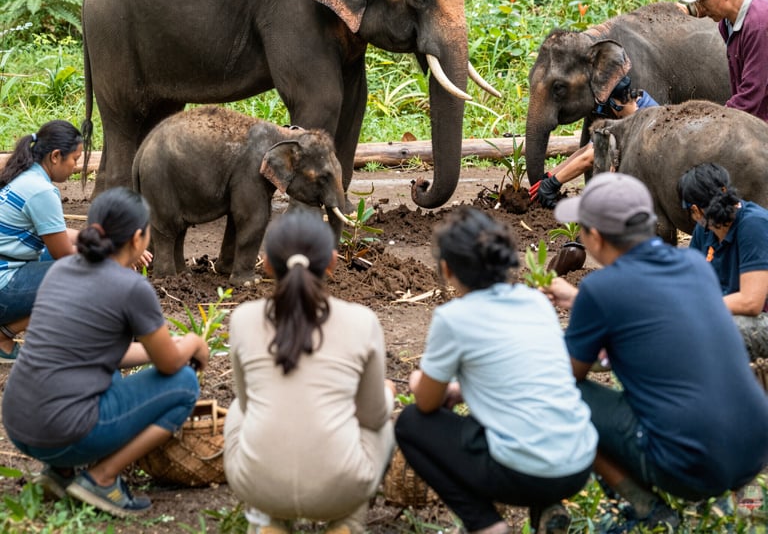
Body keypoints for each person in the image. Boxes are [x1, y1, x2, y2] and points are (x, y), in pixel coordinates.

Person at [546, 173, 768, 531]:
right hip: (756, 449)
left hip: (691, 470)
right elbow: (653, 308)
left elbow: (565, 378)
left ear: (596, 237)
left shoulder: (600, 289)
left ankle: (641, 505)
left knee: (551, 392)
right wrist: (578, 301)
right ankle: (744, 500)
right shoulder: (694, 265)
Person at [1, 187, 209, 517]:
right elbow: (169, 363)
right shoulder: (132, 287)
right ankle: (102, 478)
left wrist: (160, 350)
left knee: (102, 372)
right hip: (63, 430)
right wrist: (194, 344)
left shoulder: (61, 269)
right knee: (184, 383)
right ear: (138, 238)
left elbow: (99, 352)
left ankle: (61, 472)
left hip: (19, 424)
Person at [395, 207, 597, 534]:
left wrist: (420, 381)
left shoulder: (453, 317)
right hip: (578, 464)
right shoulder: (536, 302)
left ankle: (486, 524)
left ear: (447, 269)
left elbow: (428, 403)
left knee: (410, 424)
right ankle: (546, 508)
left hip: (522, 473)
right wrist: (464, 388)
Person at [223, 210, 395, 534]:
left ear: (267, 264)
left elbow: (247, 406)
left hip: (259, 484)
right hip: (339, 490)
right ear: (331, 262)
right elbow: (372, 418)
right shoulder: (362, 321)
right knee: (382, 423)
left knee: (237, 409)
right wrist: (387, 394)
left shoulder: (243, 319)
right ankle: (347, 523)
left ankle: (267, 521)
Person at [0, 120, 84, 362]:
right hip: (4, 284)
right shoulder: (42, 191)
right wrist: (115, 255)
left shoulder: (25, 176)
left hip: (7, 269)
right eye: (75, 160)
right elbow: (65, 256)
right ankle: (4, 336)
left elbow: (55, 232)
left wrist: (103, 238)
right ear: (56, 156)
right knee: (84, 273)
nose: (75, 167)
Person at [678, 162, 768, 360]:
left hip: (760, 317)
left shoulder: (754, 224)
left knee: (707, 332)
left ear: (695, 210)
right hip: (726, 311)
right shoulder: (705, 229)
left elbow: (751, 302)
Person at [530, 76, 658, 208]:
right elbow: (586, 150)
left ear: (615, 104)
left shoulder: (644, 115)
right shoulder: (619, 111)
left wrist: (554, 183)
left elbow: (590, 158)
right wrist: (550, 176)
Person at [679, 0, 768, 121]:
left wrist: (715, 120)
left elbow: (752, 93)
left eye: (703, 0)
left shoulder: (759, 25)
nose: (701, 7)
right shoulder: (726, 22)